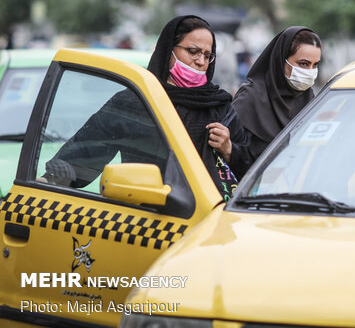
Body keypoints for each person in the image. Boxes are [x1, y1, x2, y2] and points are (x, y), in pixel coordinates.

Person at [43, 16, 248, 201]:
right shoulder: (136, 101)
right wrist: (51, 180)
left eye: (207, 55)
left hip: (206, 220)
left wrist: (229, 150)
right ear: (169, 49)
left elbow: (250, 170)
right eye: (193, 52)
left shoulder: (219, 107)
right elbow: (88, 148)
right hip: (144, 214)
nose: (200, 62)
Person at [232, 26, 321, 177]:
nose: (310, 72)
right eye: (304, 64)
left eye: (315, 65)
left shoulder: (310, 101)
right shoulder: (250, 99)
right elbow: (233, 157)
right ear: (281, 60)